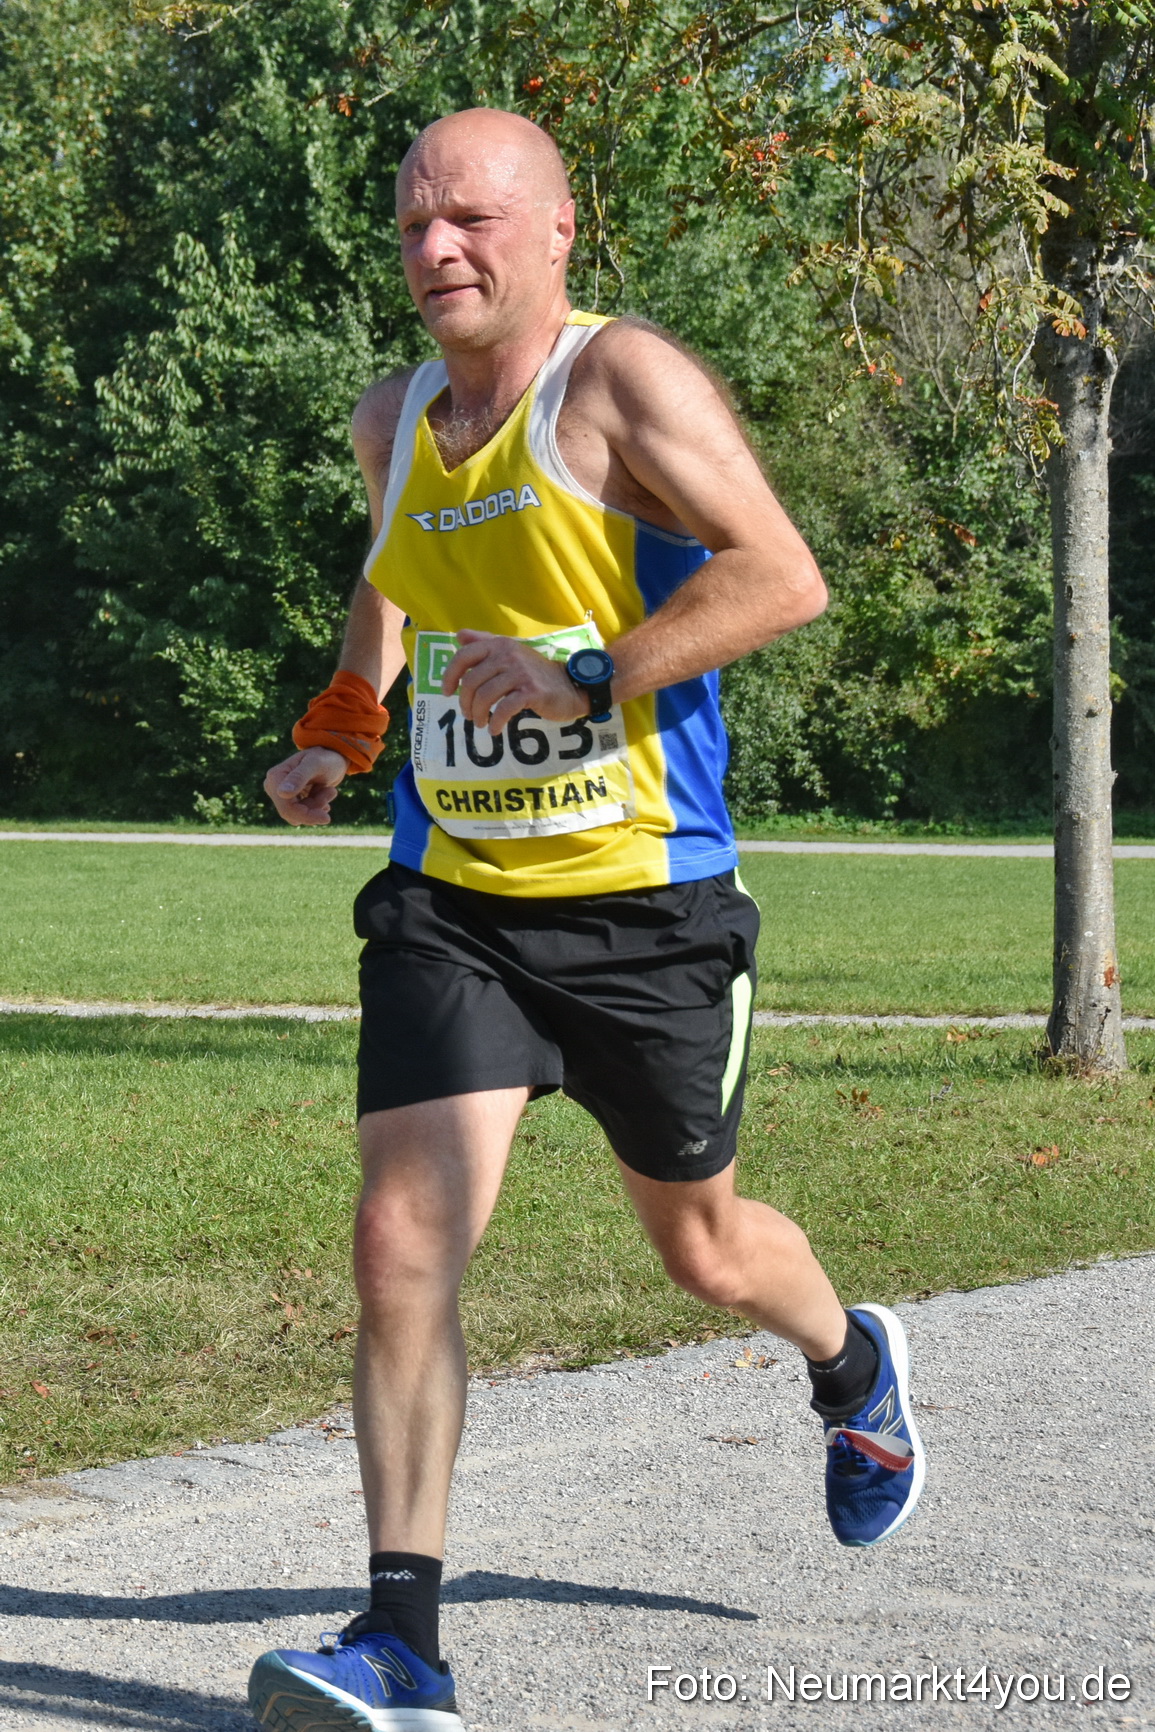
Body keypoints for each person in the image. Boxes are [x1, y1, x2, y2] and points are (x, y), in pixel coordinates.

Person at [247, 107, 925, 1732]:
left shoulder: (621, 385)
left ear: (557, 231)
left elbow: (783, 575)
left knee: (703, 1249)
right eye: (414, 224)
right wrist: (345, 720)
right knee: (402, 1240)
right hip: (456, 905)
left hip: (648, 911)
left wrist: (586, 673)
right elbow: (395, 574)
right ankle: (403, 1646)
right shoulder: (396, 417)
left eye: (470, 220)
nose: (435, 249)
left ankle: (852, 1368)